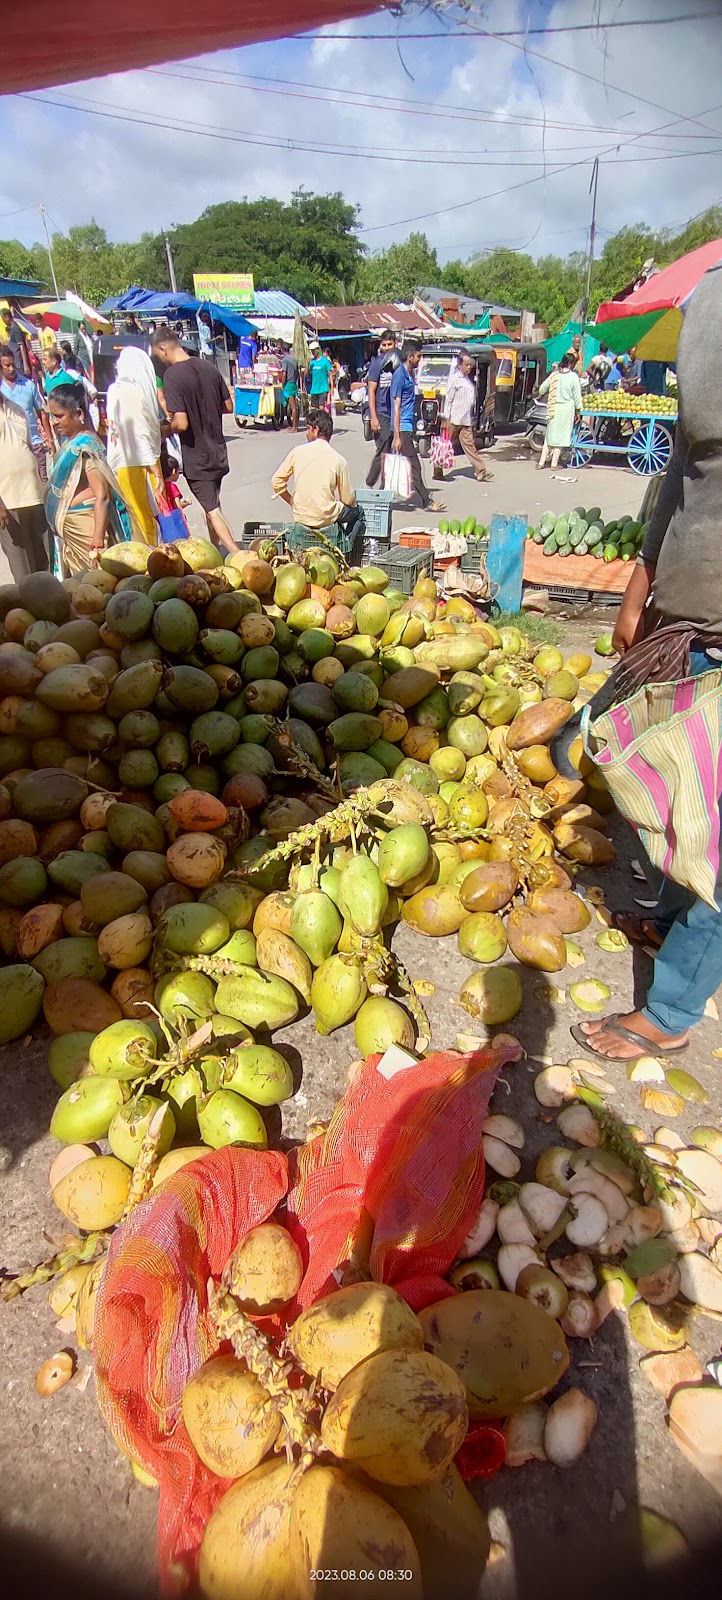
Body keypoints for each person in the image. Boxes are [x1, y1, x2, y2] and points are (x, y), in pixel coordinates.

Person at [571, 258, 722, 1064]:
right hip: (691, 627)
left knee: (720, 838)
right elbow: (682, 473)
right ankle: (666, 917)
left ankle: (670, 1011)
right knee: (677, 791)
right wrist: (640, 585)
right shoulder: (712, 296)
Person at [151, 325, 236, 554]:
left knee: (213, 510)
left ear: (163, 348)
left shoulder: (173, 376)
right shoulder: (208, 367)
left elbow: (181, 423)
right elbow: (228, 406)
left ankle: (239, 555)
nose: (160, 360)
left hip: (198, 457)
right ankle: (216, 553)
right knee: (212, 505)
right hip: (218, 451)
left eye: (158, 355)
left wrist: (162, 430)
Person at [45, 383, 136, 574]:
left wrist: (97, 538)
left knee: (94, 582)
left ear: (78, 413)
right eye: (52, 416)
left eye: (59, 416)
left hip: (86, 532)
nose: (54, 422)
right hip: (73, 532)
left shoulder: (86, 447)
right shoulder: (73, 442)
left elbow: (102, 496)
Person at [106, 347, 163, 546]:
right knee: (146, 515)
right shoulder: (132, 392)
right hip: (139, 463)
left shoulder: (114, 390)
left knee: (134, 515)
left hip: (124, 460)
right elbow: (139, 430)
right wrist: (154, 467)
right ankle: (152, 554)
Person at [271, 407, 355, 533]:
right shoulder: (339, 460)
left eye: (308, 428)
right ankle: (348, 543)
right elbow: (347, 500)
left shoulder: (297, 452)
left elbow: (276, 481)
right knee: (359, 513)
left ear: (316, 430)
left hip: (301, 516)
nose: (306, 433)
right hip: (326, 517)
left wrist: (292, 502)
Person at [0, 384, 48, 580]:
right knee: (23, 572)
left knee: (44, 566)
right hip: (8, 502)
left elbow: (27, 447)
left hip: (34, 496)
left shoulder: (16, 409)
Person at [389, 343, 442, 512]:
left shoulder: (410, 375)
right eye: (418, 356)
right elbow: (396, 406)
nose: (420, 359)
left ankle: (380, 498)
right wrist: (397, 436)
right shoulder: (399, 376)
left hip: (407, 426)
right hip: (402, 428)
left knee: (397, 465)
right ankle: (426, 501)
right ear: (410, 357)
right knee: (414, 465)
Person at [0, 343, 52, 483]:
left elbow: (42, 413)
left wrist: (49, 439)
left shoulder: (28, 385)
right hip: (10, 448)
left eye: (13, 364)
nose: (12, 368)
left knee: (42, 483)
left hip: (34, 443)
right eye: (7, 366)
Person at [441, 352, 493, 483]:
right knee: (445, 446)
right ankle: (437, 470)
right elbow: (448, 399)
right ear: (460, 365)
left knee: (470, 446)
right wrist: (446, 418)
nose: (469, 367)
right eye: (466, 365)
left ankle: (480, 471)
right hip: (454, 419)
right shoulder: (454, 379)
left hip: (465, 420)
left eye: (470, 365)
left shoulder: (467, 380)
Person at [365, 329, 400, 488]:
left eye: (389, 344)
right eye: (384, 345)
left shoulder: (399, 364)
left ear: (396, 344)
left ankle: (386, 486)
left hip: (396, 413)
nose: (386, 348)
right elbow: (371, 391)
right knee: (384, 447)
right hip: (382, 412)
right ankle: (369, 482)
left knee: (392, 451)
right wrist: (373, 417)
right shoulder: (377, 363)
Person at [536, 353, 582, 470]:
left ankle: (541, 462)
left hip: (553, 408)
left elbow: (542, 389)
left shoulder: (554, 375)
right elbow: (577, 396)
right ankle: (554, 464)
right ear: (570, 364)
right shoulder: (573, 377)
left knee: (549, 436)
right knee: (561, 437)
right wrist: (578, 410)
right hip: (566, 410)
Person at [280, 342, 300, 432]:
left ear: (282, 349)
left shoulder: (285, 360)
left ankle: (294, 427)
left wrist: (282, 385)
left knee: (293, 406)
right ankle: (295, 426)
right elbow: (298, 373)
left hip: (288, 384)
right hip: (294, 383)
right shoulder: (294, 359)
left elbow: (284, 374)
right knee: (294, 406)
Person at [307, 345, 334, 412]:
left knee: (321, 407)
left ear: (318, 350)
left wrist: (332, 387)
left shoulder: (325, 361)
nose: (312, 352)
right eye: (311, 351)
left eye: (314, 350)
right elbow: (306, 374)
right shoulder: (312, 362)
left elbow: (330, 374)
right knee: (315, 410)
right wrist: (307, 364)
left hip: (323, 388)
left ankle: (324, 417)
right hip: (314, 389)